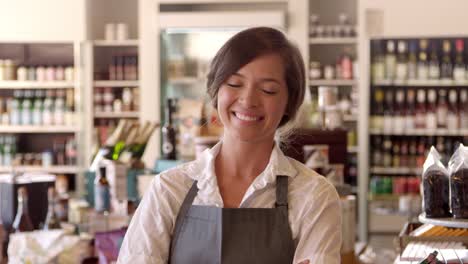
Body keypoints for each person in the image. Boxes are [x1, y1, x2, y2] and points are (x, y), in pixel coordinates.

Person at [117, 27, 341, 264]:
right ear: (216, 90)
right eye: (234, 84)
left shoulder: (314, 197)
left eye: (268, 90)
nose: (248, 100)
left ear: (289, 102)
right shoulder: (169, 190)